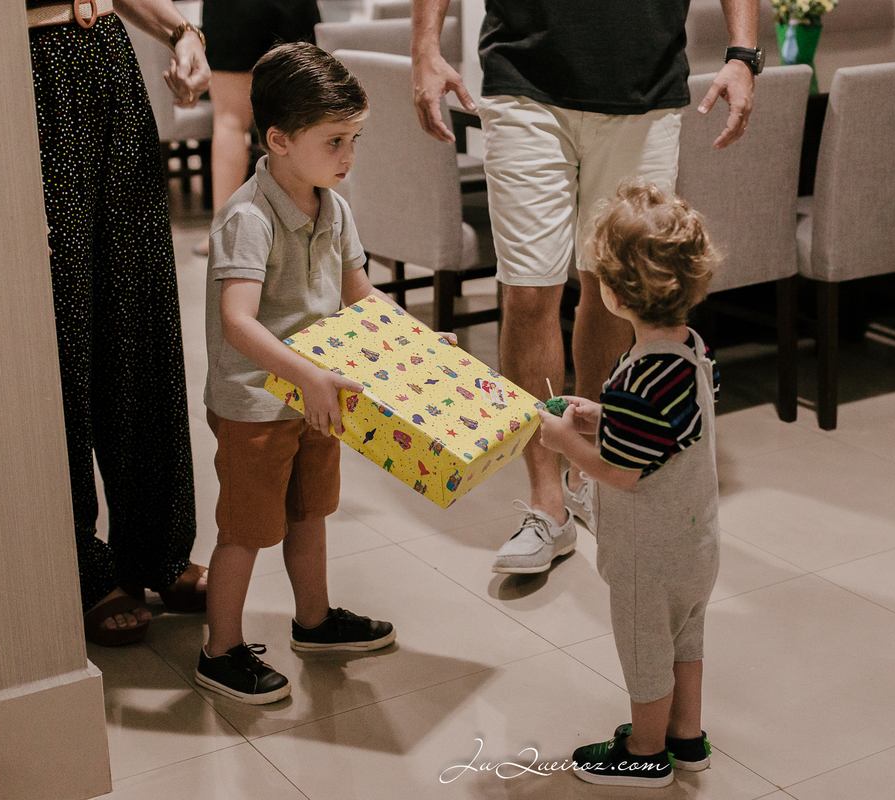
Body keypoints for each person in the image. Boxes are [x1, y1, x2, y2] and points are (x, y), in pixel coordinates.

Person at [411, 0, 759, 574]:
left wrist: (743, 54)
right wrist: (424, 48)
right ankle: (547, 505)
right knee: (527, 293)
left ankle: (588, 474)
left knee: (614, 292)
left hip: (646, 86)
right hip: (525, 79)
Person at [196, 43, 448, 704]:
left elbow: (362, 295)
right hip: (257, 404)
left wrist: (420, 343)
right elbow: (237, 322)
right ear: (279, 140)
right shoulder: (248, 218)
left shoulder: (333, 207)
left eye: (354, 139)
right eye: (335, 141)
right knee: (246, 531)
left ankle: (315, 622)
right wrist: (306, 376)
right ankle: (220, 650)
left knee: (310, 512)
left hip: (316, 395)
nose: (349, 156)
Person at [27, 0, 211, 647]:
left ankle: (158, 547)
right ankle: (80, 567)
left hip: (107, 57)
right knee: (62, 330)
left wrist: (181, 31)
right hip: (24, 73)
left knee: (141, 311)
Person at [538, 181, 721, 788]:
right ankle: (685, 736)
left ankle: (644, 752)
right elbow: (668, 432)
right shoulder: (691, 352)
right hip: (696, 545)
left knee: (646, 652)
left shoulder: (638, 379)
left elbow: (622, 471)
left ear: (613, 295)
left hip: (649, 554)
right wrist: (602, 417)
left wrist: (565, 442)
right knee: (685, 638)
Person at [194, 0, 322, 257]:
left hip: (232, 9)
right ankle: (301, 229)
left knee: (230, 122)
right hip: (292, 6)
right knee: (300, 120)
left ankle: (224, 232)